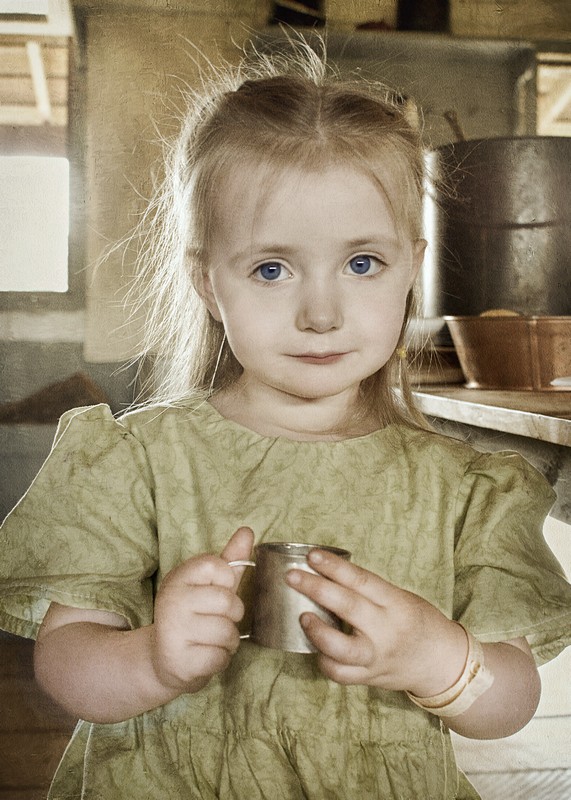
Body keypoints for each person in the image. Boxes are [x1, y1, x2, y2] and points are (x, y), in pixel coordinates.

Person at [1, 37, 570, 800]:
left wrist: (439, 660)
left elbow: (508, 704)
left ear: (409, 263)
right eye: (272, 268)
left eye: (361, 263)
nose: (322, 312)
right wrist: (154, 660)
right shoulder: (134, 461)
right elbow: (67, 665)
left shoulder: (467, 487)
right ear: (208, 281)